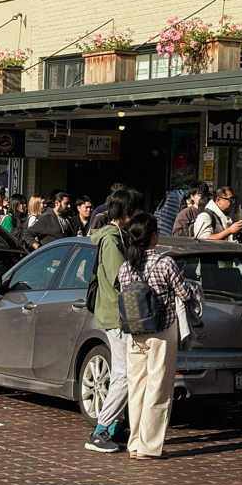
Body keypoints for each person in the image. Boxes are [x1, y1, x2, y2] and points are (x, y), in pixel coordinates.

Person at [118, 212, 192, 459]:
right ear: (153, 237)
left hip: (135, 331)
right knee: (158, 389)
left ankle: (134, 443)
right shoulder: (165, 263)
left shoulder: (125, 267)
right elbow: (184, 293)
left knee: (136, 387)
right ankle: (149, 447)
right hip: (162, 330)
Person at [85, 188, 144, 454]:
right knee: (123, 374)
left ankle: (114, 427)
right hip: (116, 314)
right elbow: (121, 277)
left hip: (120, 313)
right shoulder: (111, 239)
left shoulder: (119, 235)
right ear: (127, 213)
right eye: (138, 211)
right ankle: (101, 429)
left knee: (126, 372)